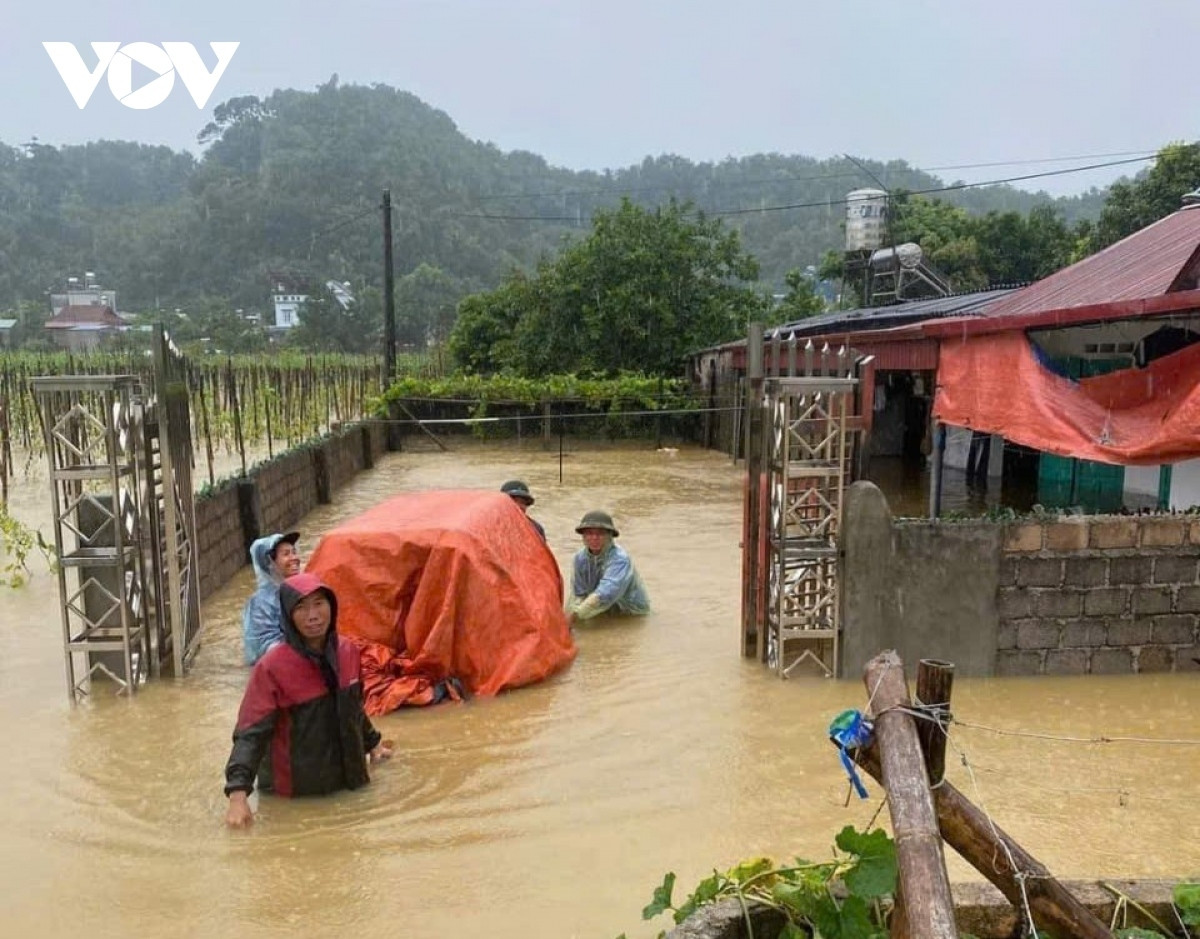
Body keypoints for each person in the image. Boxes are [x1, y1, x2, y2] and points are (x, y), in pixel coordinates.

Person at [224, 572, 392, 828]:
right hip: (296, 802)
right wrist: (237, 795)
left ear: (332, 607)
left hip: (350, 789)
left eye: (319, 604)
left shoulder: (348, 652)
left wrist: (373, 744)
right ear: (288, 615)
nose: (312, 615)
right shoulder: (272, 668)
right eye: (300, 607)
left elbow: (352, 709)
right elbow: (251, 734)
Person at [566, 510, 650, 624]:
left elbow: (607, 592)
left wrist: (575, 615)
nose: (594, 538)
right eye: (590, 533)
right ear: (583, 536)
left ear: (610, 536)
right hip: (601, 609)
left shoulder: (620, 559)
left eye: (600, 533)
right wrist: (569, 613)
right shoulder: (580, 558)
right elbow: (579, 593)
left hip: (630, 613)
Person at [241, 531, 302, 665]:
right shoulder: (261, 602)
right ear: (269, 563)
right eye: (286, 554)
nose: (294, 558)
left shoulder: (301, 590)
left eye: (294, 552)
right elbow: (263, 647)